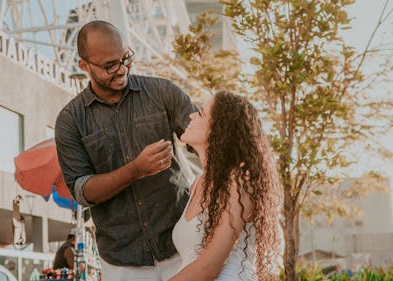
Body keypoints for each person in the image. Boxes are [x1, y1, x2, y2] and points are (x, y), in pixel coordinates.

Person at [55, 20, 197, 280]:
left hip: (181, 247)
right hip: (122, 263)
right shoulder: (70, 121)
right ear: (84, 66)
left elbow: (206, 140)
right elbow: (82, 191)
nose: (122, 69)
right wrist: (136, 170)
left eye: (125, 58)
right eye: (110, 65)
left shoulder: (163, 92)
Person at [170, 91, 281, 281]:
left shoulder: (239, 182)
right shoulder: (197, 184)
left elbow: (209, 266)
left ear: (219, 130)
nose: (191, 115)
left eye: (201, 113)